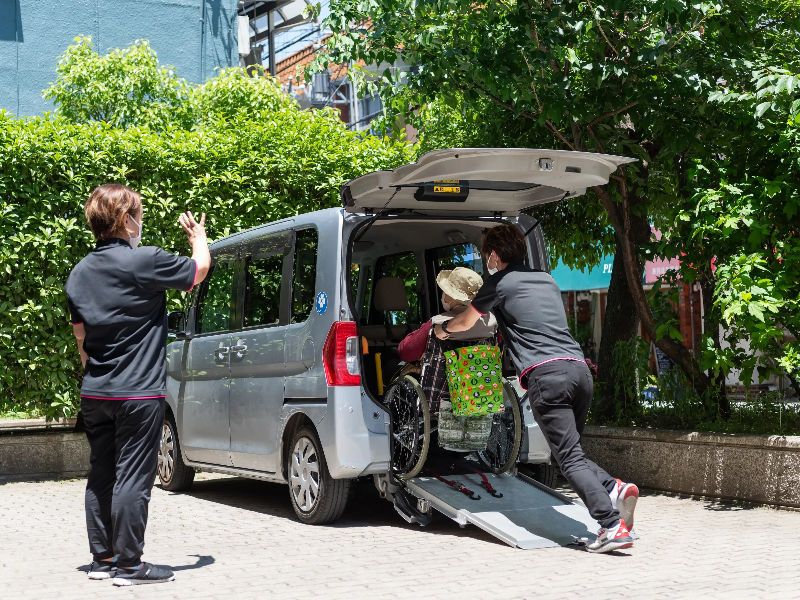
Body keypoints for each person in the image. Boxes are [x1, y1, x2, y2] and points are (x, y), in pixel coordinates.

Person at [434, 225, 640, 554]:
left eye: (487, 254)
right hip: (579, 370)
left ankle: (611, 525)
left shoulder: (498, 283)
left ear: (494, 255)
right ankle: (614, 488)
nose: (487, 260)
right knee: (571, 452)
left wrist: (444, 329)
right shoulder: (547, 279)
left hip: (548, 376)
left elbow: (466, 321)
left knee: (568, 459)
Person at [65, 184, 211, 584]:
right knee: (132, 477)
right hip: (138, 392)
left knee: (101, 475)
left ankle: (102, 560)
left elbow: (80, 336)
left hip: (96, 392)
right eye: (139, 214)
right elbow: (198, 271)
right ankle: (129, 565)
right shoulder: (144, 261)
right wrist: (198, 239)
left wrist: (95, 373)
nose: (141, 222)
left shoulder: (79, 273)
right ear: (126, 220)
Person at [397, 266, 496, 364]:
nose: (443, 295)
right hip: (486, 373)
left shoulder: (438, 322)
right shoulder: (492, 320)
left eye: (445, 291)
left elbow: (406, 352)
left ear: (451, 297)